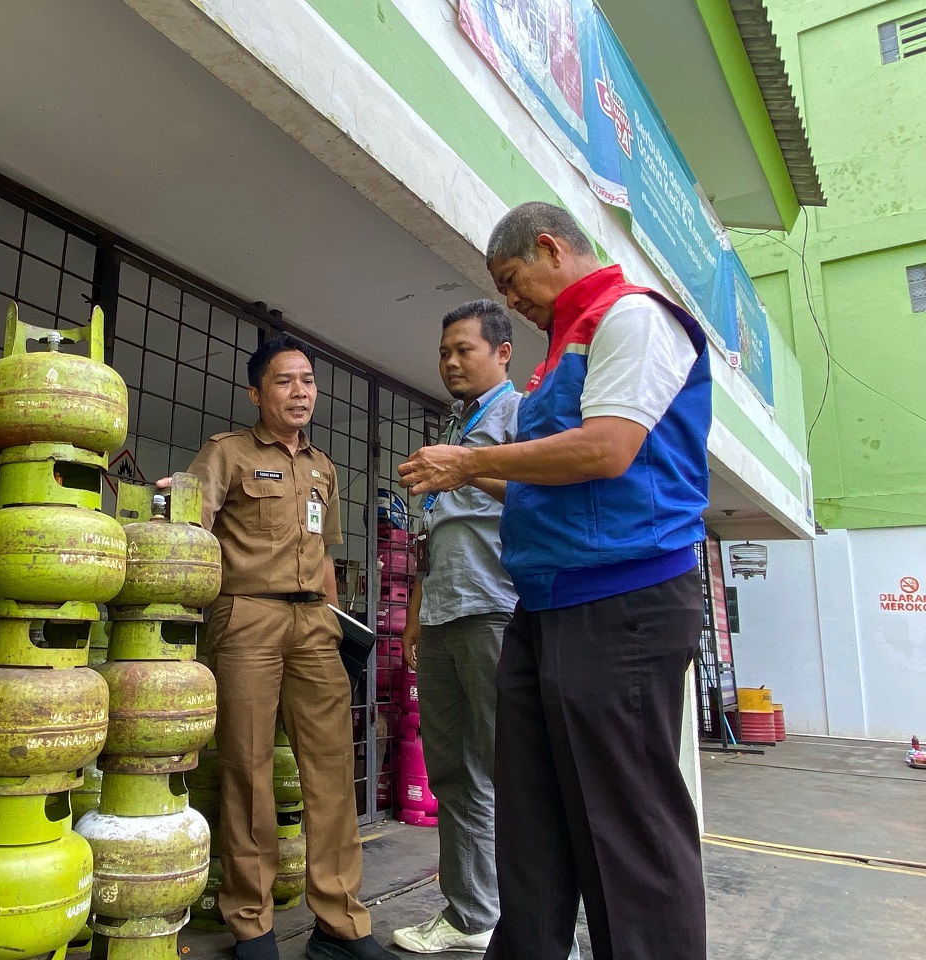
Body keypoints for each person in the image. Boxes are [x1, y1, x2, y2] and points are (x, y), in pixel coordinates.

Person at [398, 201, 712, 960]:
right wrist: (473, 476)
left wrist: (471, 462)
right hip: (543, 605)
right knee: (532, 830)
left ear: (549, 248)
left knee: (624, 827)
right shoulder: (558, 353)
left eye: (511, 282)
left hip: (621, 601)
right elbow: (551, 479)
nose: (511, 300)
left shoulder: (630, 319)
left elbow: (606, 451)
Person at [175, 333, 396, 960]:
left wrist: (335, 622)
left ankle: (341, 924)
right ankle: (253, 924)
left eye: (307, 381)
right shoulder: (228, 454)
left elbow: (324, 554)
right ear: (256, 392)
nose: (300, 392)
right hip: (246, 618)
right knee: (248, 771)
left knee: (330, 772)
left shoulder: (322, 467)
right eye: (284, 381)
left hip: (313, 625)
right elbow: (188, 526)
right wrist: (174, 499)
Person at [392, 300, 520, 954]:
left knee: (518, 771)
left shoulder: (520, 415)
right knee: (454, 772)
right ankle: (472, 916)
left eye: (462, 350)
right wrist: (416, 610)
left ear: (502, 352)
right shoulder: (457, 419)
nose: (449, 362)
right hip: (444, 610)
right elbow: (434, 526)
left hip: (496, 607)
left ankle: (541, 926)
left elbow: (541, 493)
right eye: (444, 351)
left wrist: (469, 466)